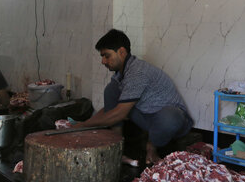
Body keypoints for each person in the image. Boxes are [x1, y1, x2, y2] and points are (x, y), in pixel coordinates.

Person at [75, 29, 193, 164]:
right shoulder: (121, 75)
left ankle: (151, 148)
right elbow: (110, 109)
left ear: (122, 52)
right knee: (111, 90)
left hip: (173, 121)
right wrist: (85, 124)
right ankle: (117, 149)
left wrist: (84, 125)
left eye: (107, 56)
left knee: (170, 117)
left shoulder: (138, 71)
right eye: (102, 57)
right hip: (147, 117)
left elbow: (117, 114)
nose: (103, 61)